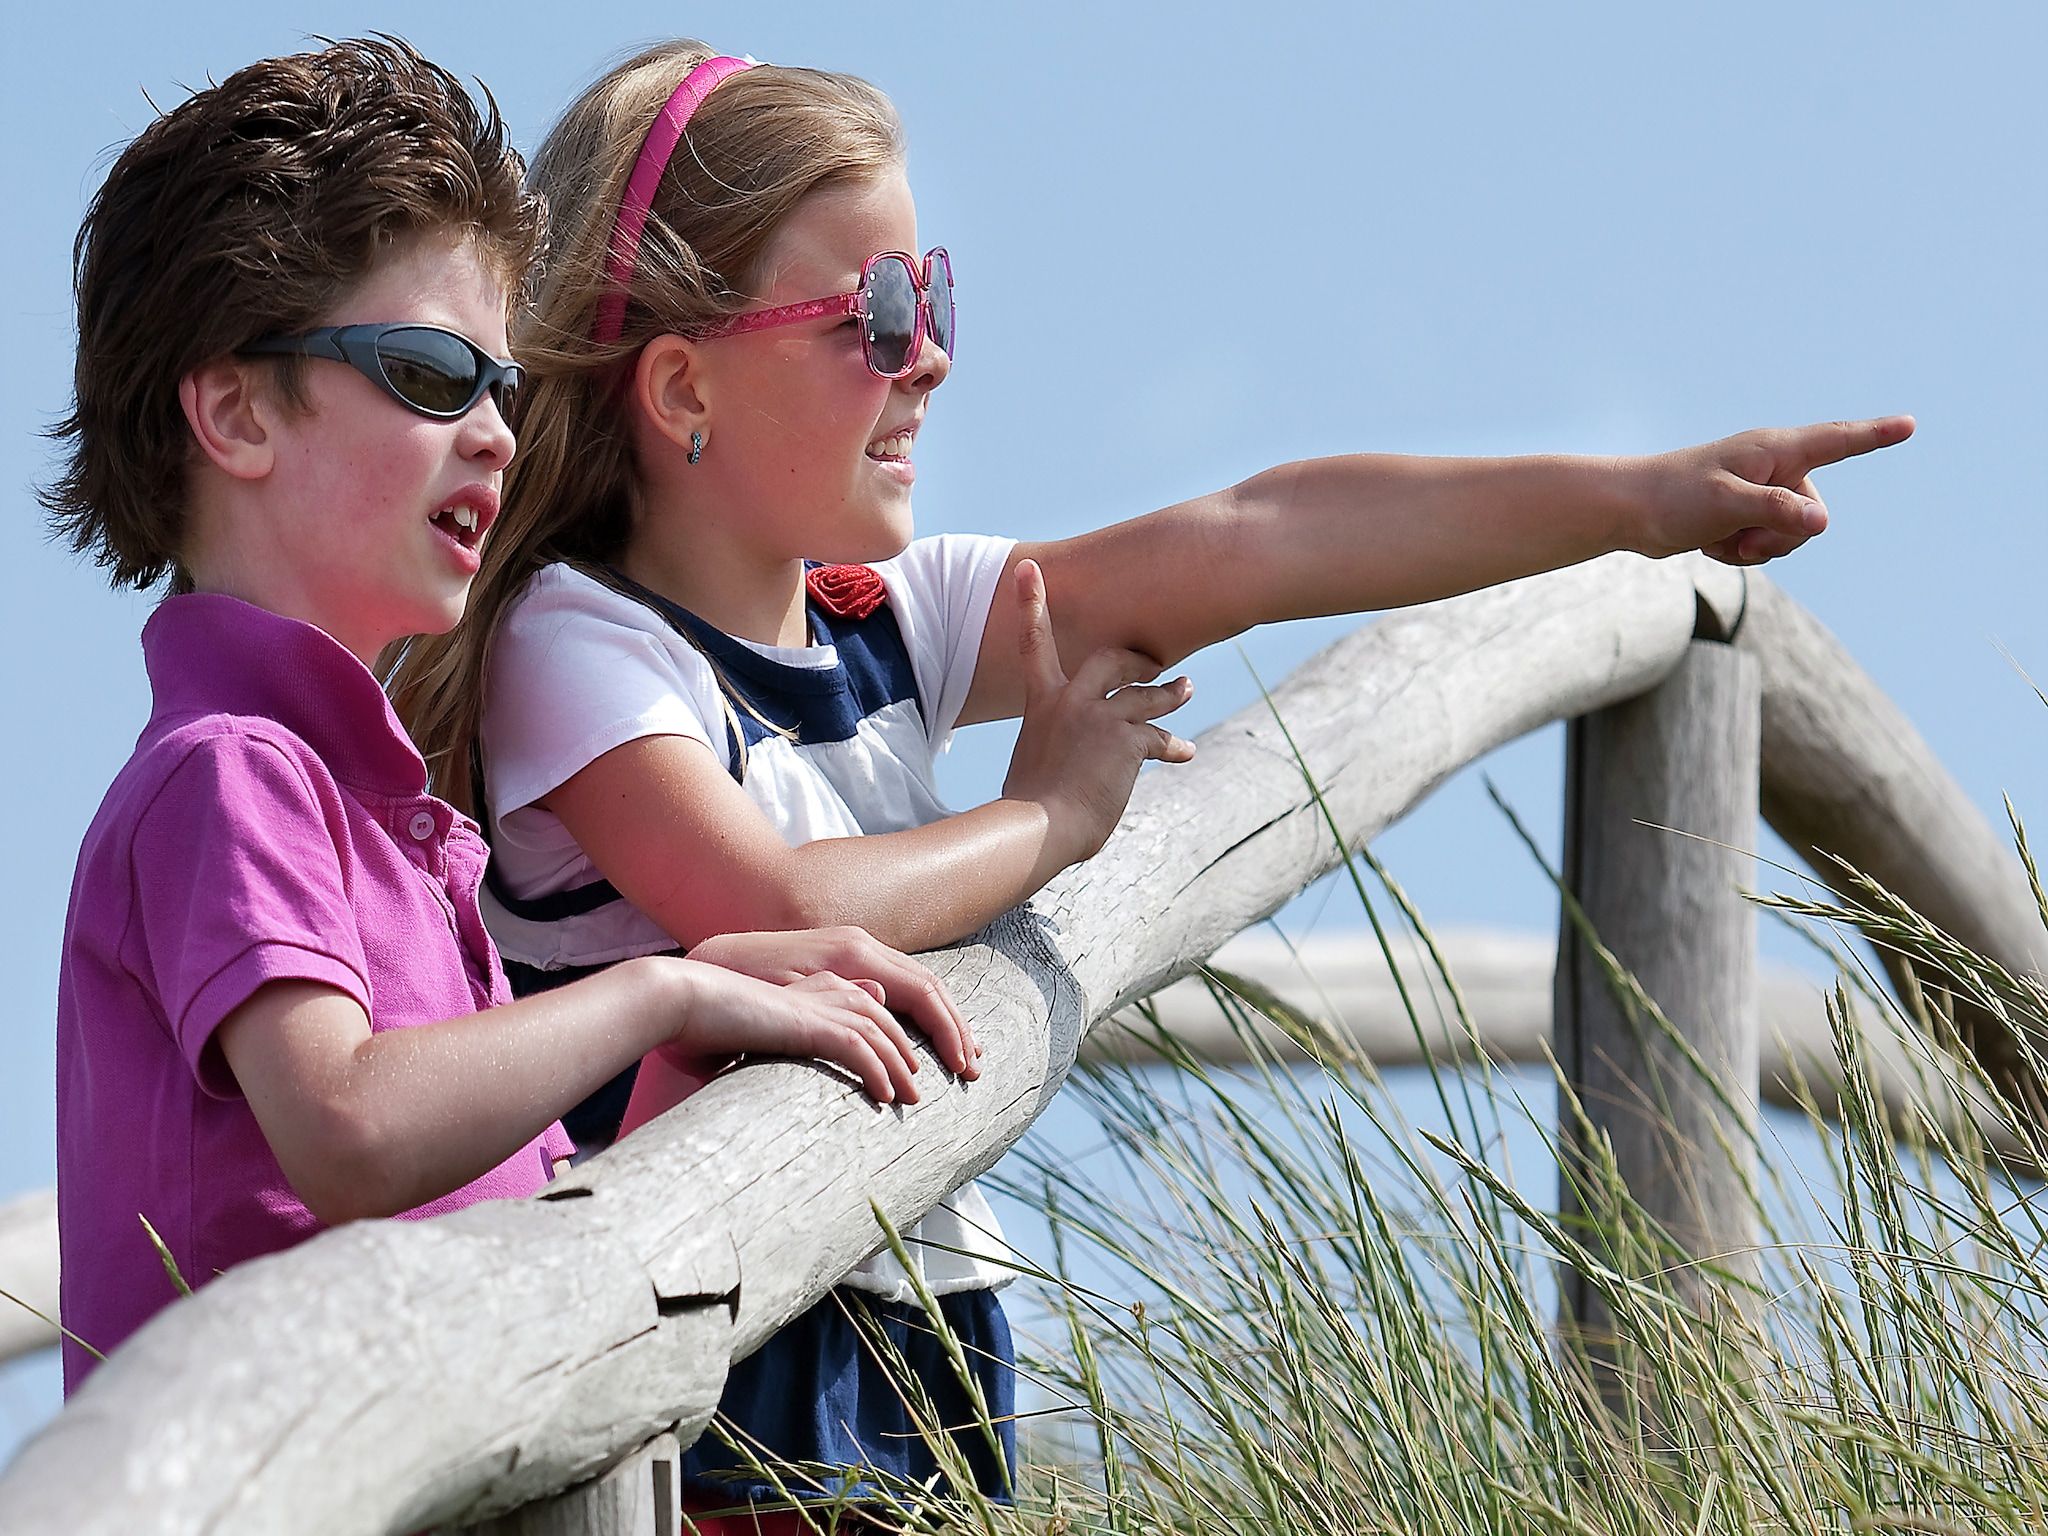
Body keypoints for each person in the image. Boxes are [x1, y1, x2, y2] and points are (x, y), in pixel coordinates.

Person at [389, 41, 1912, 1525]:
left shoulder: (882, 617)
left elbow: (1256, 536)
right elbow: (778, 906)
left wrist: (1641, 502)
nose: (930, 356)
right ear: (681, 389)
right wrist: (1047, 820)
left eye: (939, 298)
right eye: (877, 310)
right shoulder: (581, 646)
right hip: (698, 1361)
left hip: (918, 1316)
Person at [44, 36, 971, 1399]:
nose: (492, 431)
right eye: (429, 374)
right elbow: (353, 1127)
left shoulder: (378, 811)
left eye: (502, 387)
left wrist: (676, 1060)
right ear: (234, 411)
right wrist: (660, 984)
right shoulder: (228, 772)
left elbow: (506, 1239)